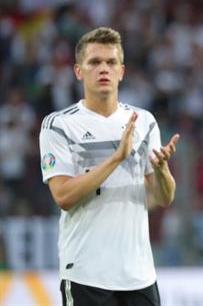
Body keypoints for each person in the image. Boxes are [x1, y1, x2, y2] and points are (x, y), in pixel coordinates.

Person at [39, 27, 179, 305]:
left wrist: (162, 171)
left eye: (111, 62)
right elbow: (63, 196)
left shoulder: (144, 121)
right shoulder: (59, 125)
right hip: (86, 273)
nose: (103, 68)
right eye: (94, 62)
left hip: (139, 274)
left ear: (122, 71)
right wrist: (117, 158)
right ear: (79, 71)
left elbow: (164, 198)